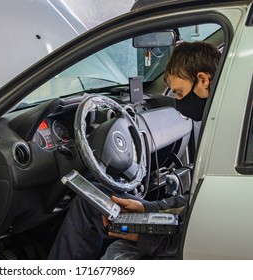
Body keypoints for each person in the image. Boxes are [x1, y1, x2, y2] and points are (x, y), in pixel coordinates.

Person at [47, 41, 221, 260]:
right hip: (192, 226)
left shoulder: (239, 135)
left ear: (203, 80)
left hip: (189, 247)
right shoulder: (230, 123)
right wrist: (146, 208)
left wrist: (147, 238)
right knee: (92, 200)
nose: (178, 102)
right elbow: (198, 201)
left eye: (179, 93)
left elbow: (219, 235)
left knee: (113, 246)